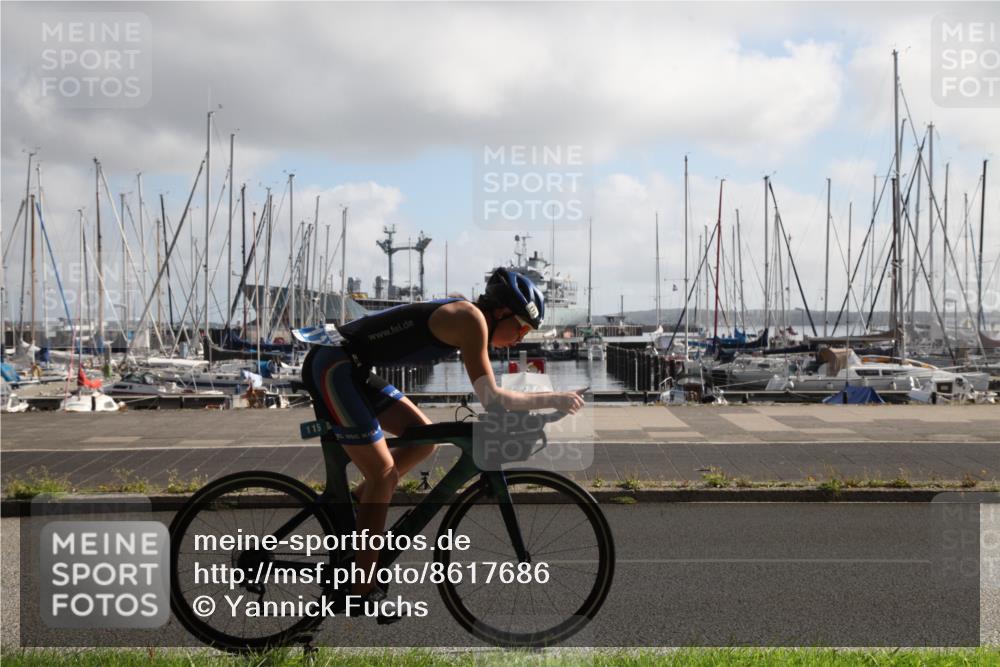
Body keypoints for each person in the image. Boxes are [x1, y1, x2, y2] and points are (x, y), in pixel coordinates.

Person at [301, 267, 584, 616]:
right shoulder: (471, 320)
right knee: (384, 475)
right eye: (523, 327)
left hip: (352, 369)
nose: (522, 337)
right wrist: (552, 400)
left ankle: (357, 507)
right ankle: (360, 586)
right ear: (501, 312)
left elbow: (489, 397)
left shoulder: (471, 318)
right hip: (333, 367)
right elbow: (492, 397)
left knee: (423, 442)